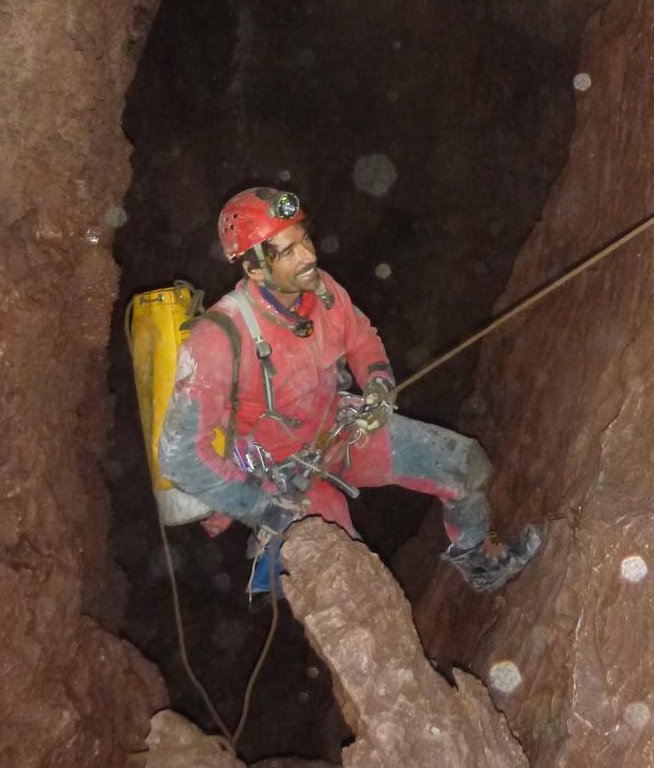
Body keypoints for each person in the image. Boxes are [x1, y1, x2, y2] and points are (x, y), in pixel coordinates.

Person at [159, 186, 539, 595]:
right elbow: (179, 457)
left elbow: (361, 338)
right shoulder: (220, 340)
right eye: (287, 252)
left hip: (340, 433)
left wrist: (378, 383)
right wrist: (257, 506)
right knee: (352, 584)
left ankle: (478, 561)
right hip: (285, 481)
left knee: (466, 466)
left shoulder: (322, 291)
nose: (308, 256)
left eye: (304, 239)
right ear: (253, 269)